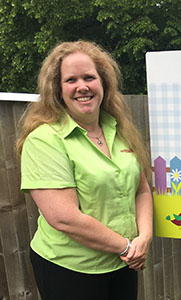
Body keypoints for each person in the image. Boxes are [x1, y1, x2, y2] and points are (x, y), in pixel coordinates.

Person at [16, 40, 153, 300]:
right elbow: (64, 217)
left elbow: (142, 190)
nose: (82, 86)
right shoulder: (44, 140)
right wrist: (127, 246)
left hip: (123, 262)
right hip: (70, 269)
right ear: (57, 89)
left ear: (103, 84)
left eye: (89, 77)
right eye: (71, 80)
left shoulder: (119, 130)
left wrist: (143, 238)